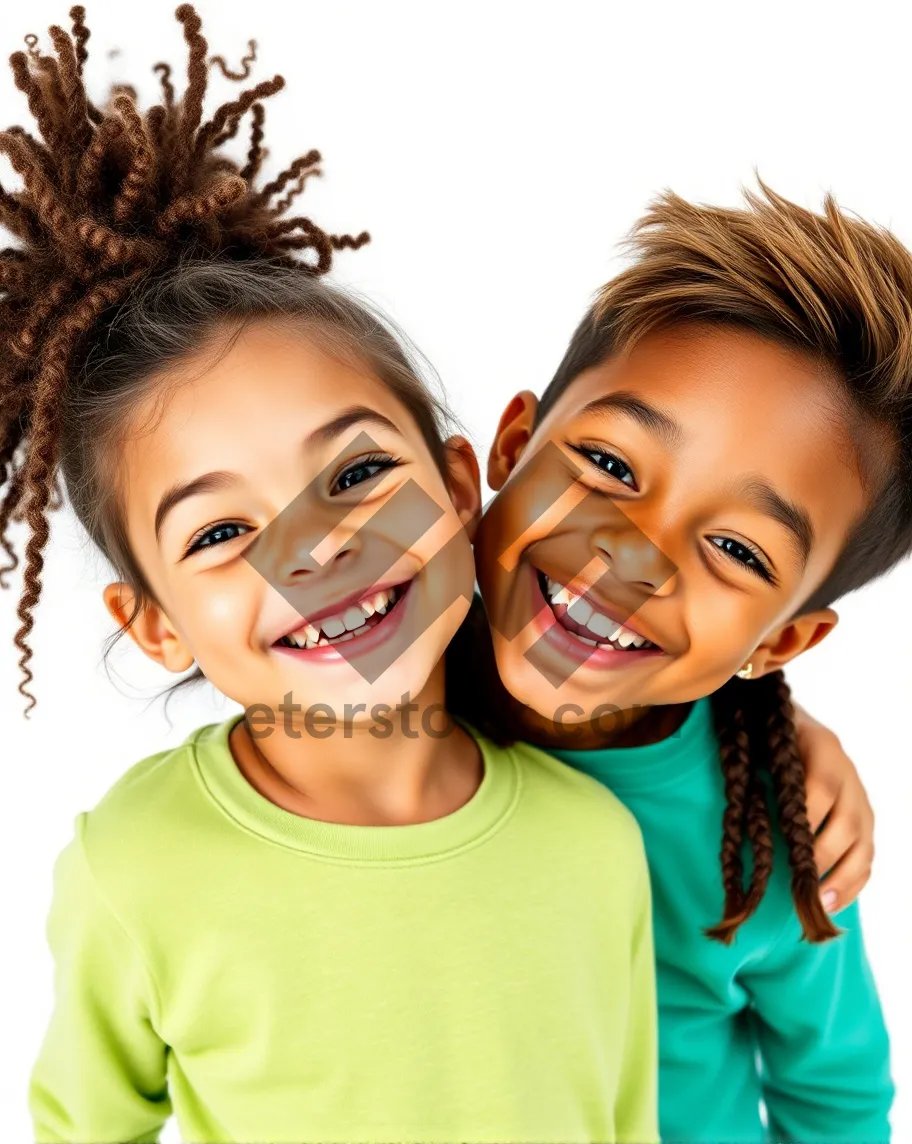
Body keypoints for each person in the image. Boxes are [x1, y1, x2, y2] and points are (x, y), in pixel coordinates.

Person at [11, 9, 658, 1142]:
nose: (313, 547)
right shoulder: (135, 866)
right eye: (218, 534)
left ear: (460, 488)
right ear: (155, 624)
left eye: (357, 471)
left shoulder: (599, 846)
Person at [450, 180, 906, 1142]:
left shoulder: (775, 846)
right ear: (513, 445)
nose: (633, 555)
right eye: (610, 466)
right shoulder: (363, 683)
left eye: (738, 551)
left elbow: (837, 1098)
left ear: (780, 643)